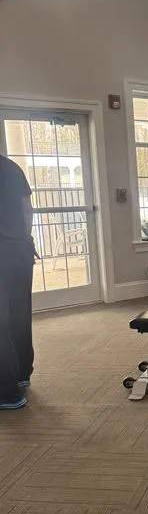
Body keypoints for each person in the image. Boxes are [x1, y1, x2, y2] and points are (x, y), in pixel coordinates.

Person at [0, 155, 36, 410]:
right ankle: (22, 373)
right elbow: (27, 210)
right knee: (19, 316)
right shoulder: (11, 167)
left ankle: (7, 393)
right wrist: (22, 238)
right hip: (20, 250)